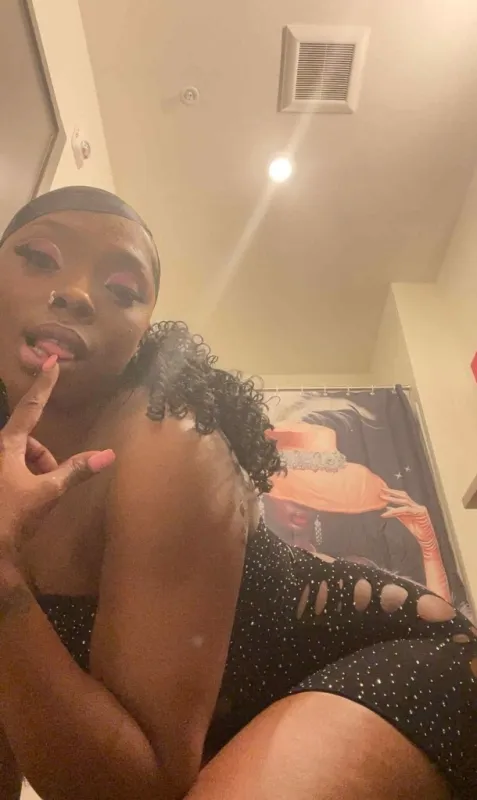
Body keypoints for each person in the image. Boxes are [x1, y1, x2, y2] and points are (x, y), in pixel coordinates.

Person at [0, 187, 475, 800]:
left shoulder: (165, 440)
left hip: (405, 660)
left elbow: (138, 788)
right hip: (226, 736)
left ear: (140, 336)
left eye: (122, 290)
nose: (76, 293)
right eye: (40, 257)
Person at [261, 421, 452, 600]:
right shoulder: (256, 569)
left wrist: (429, 549)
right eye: (292, 492)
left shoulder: (351, 570)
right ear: (264, 495)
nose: (303, 504)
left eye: (315, 494)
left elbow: (440, 620)